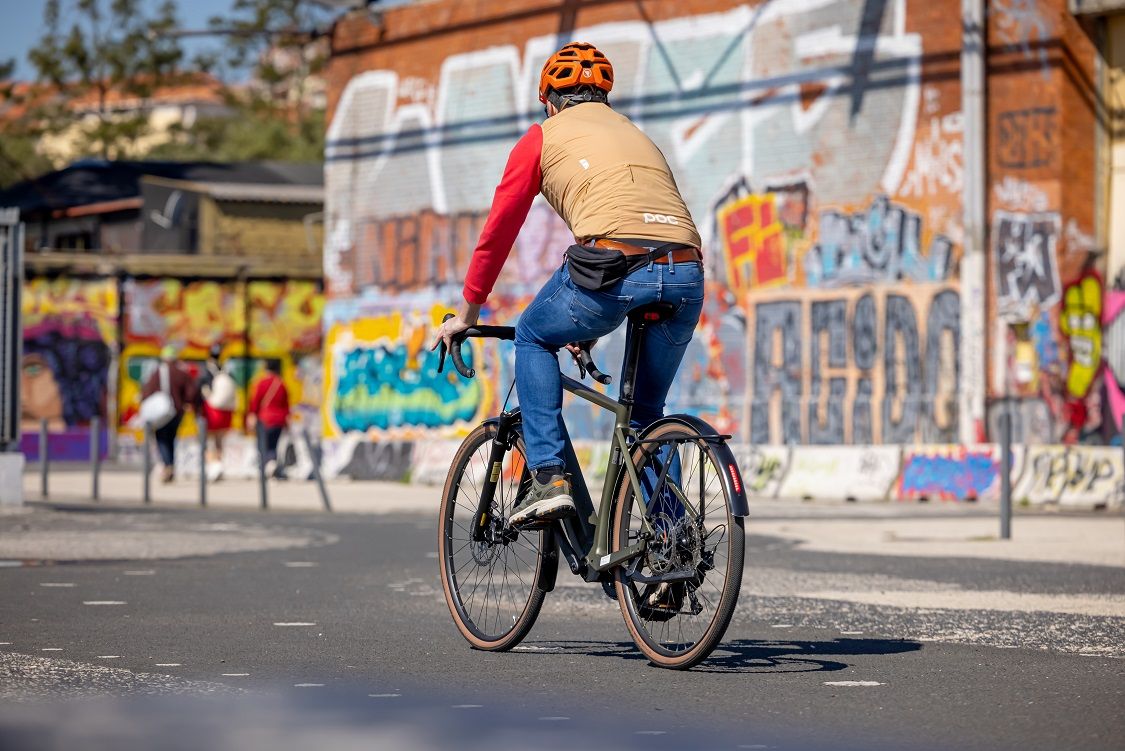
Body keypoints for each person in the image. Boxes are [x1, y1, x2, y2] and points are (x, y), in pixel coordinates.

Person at [432, 42, 704, 528]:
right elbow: (645, 225)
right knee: (646, 416)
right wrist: (592, 323)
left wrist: (467, 315)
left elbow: (498, 232)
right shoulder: (637, 135)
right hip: (686, 270)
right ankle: (672, 546)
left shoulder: (542, 136)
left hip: (612, 268)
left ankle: (548, 477)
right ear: (603, 98)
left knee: (534, 334)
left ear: (549, 101)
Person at [141, 345, 197, 483]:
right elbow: (192, 392)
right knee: (171, 439)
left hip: (162, 413)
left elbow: (147, 391)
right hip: (177, 412)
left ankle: (168, 466)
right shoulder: (182, 373)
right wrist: (186, 402)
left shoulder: (157, 373)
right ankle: (170, 465)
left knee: (161, 439)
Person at [198, 344, 237, 481]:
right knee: (219, 440)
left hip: (211, 409)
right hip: (225, 410)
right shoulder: (226, 370)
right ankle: (219, 465)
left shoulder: (205, 371)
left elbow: (200, 389)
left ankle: (213, 466)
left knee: (207, 441)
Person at [248, 358, 290, 479]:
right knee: (273, 446)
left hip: (264, 419)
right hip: (279, 420)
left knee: (263, 446)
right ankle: (272, 465)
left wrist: (252, 414)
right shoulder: (281, 384)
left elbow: (255, 401)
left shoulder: (261, 383)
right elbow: (286, 405)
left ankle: (267, 468)